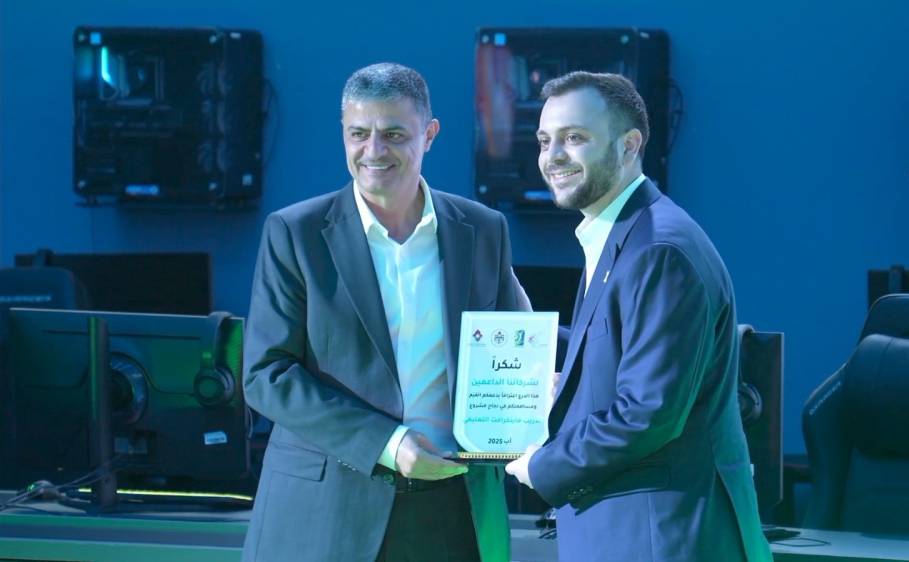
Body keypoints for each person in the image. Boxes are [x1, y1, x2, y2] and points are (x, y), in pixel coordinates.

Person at [241, 62, 527, 562]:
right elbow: (267, 376)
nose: (373, 151)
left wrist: (538, 386)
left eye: (394, 134)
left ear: (429, 134)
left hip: (454, 509)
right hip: (327, 515)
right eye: (359, 133)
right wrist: (388, 443)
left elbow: (514, 344)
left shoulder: (483, 229)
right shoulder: (295, 233)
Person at [505, 71, 772, 562]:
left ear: (629, 145)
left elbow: (647, 414)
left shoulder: (658, 250)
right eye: (545, 140)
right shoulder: (624, 235)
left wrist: (542, 465)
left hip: (660, 541)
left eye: (574, 138)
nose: (553, 156)